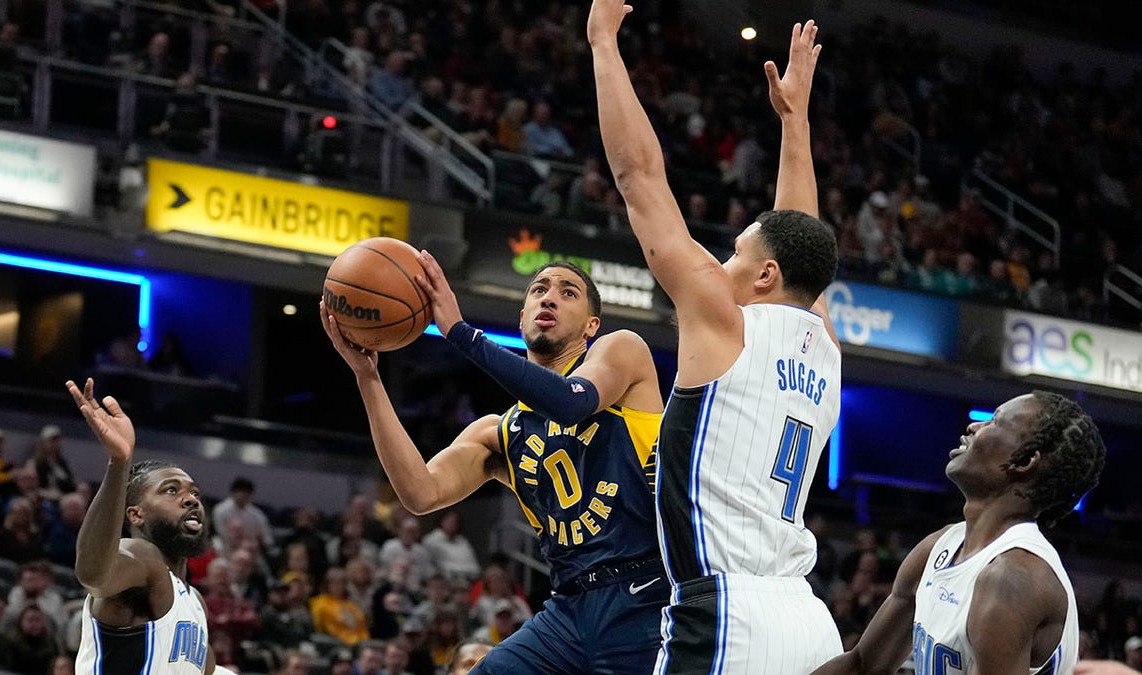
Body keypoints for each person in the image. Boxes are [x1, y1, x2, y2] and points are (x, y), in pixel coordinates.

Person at [589, 4, 842, 672]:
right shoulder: (825, 340)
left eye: (734, 254)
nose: (720, 265)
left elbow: (639, 177)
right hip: (810, 622)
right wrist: (795, 123)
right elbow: (800, 239)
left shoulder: (722, 323)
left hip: (728, 612)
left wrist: (602, 42)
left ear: (764, 274)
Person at [321, 250, 669, 674]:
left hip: (645, 595)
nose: (549, 298)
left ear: (592, 325)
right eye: (539, 290)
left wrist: (460, 332)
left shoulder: (621, 351)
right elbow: (419, 492)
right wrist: (368, 378)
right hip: (567, 607)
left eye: (568, 292)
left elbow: (569, 403)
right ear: (522, 316)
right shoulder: (500, 433)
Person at [813, 391, 1105, 674]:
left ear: (1024, 461)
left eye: (994, 422)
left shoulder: (1013, 579)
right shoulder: (938, 547)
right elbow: (863, 666)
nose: (974, 426)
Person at [66, 377, 227, 674]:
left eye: (194, 493)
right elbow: (92, 575)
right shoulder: (141, 559)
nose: (191, 499)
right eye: (171, 490)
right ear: (135, 514)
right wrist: (119, 463)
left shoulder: (195, 602)